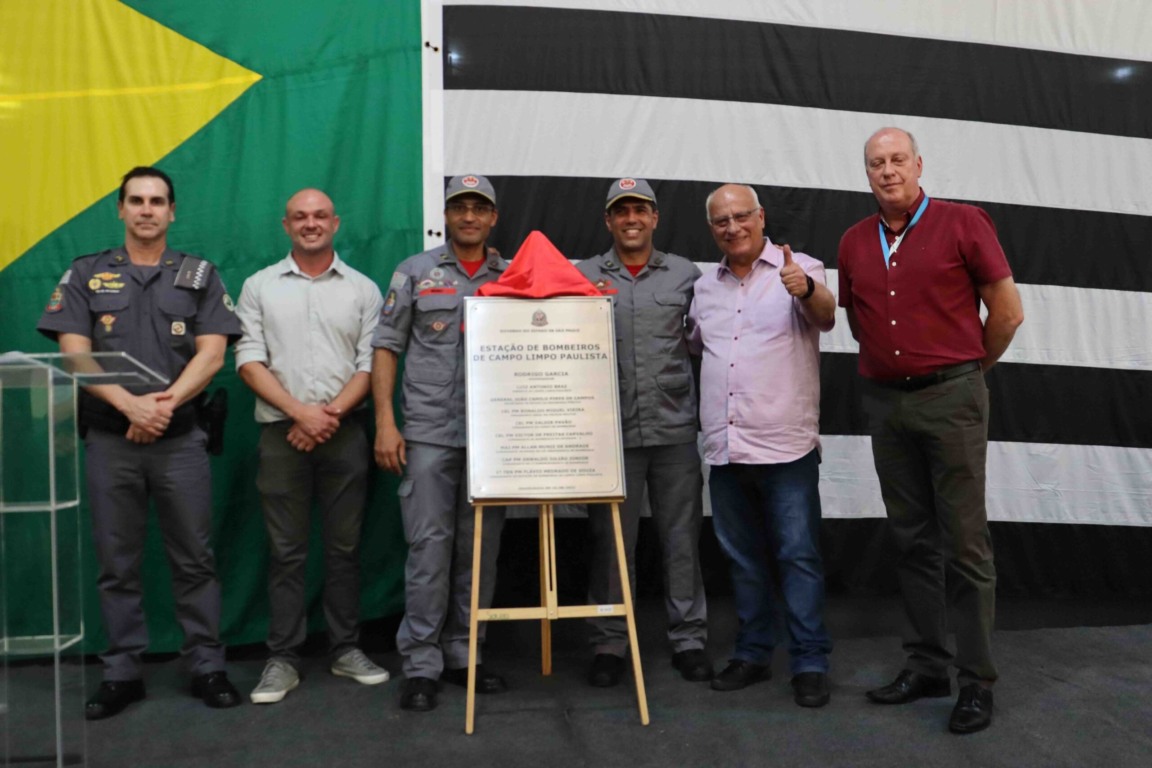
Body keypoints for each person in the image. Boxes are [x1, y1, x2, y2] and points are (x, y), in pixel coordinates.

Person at [37, 166, 242, 719]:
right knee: (117, 562)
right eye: (136, 200)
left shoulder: (200, 275)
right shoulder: (86, 274)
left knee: (195, 558)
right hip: (112, 441)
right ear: (121, 210)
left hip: (179, 439)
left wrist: (163, 405)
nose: (147, 209)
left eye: (157, 201)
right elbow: (73, 352)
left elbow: (214, 353)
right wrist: (127, 405)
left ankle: (206, 664)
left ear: (172, 211)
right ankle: (121, 671)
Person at [838, 127, 1023, 734]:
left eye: (897, 160)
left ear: (918, 165)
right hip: (886, 405)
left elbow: (1007, 311)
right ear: (866, 174)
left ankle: (976, 682)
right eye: (876, 163)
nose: (887, 171)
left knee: (965, 543)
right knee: (911, 538)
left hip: (952, 398)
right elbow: (861, 322)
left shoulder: (964, 222)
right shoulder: (853, 241)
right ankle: (926, 665)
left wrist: (967, 371)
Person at [234, 189, 389, 704]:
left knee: (344, 549)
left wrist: (328, 416)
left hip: (345, 433)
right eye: (300, 217)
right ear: (285, 226)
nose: (310, 223)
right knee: (285, 552)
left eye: (319, 215)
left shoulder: (363, 290)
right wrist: (300, 413)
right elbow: (249, 359)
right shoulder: (259, 287)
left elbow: (371, 364)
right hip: (282, 435)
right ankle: (282, 659)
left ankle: (346, 650)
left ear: (336, 223)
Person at [686, 183, 837, 708]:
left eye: (741, 216)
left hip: (786, 447)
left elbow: (826, 315)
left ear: (761, 217)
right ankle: (752, 654)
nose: (733, 227)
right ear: (713, 229)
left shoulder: (801, 270)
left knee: (797, 557)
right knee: (743, 560)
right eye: (721, 221)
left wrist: (805, 290)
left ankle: (810, 662)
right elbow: (699, 350)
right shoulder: (706, 288)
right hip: (726, 448)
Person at [371, 175, 510, 712]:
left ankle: (465, 654)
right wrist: (387, 422)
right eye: (460, 208)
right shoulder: (415, 272)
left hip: (494, 437)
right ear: (447, 215)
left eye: (480, 208)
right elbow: (386, 347)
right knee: (428, 549)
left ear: (493, 218)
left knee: (480, 552)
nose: (470, 216)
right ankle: (422, 662)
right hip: (429, 434)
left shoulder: (512, 276)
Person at [576, 178, 710, 687]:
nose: (631, 218)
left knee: (681, 539)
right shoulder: (585, 275)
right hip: (611, 435)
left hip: (674, 429)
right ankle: (610, 641)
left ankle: (689, 638)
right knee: (611, 542)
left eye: (640, 210)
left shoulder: (684, 274)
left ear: (655, 218)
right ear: (608, 221)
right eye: (621, 211)